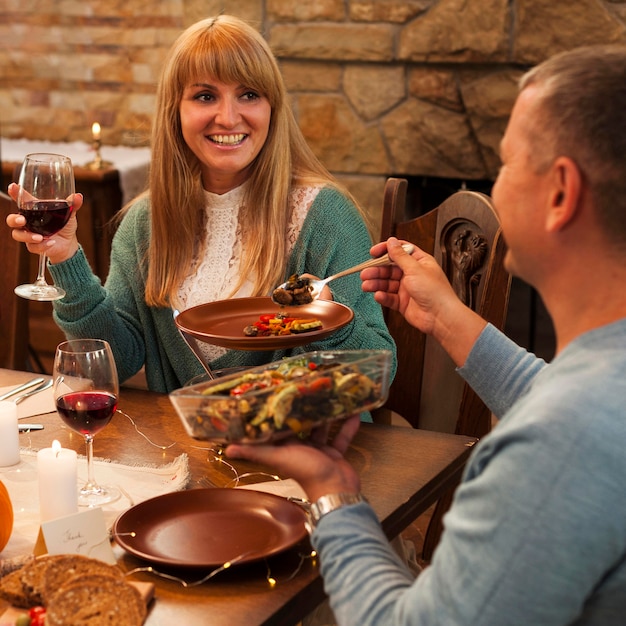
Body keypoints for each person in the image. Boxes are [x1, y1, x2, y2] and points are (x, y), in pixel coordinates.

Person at [226, 44, 626, 625]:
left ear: (561, 193)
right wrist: (445, 318)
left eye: (508, 163)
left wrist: (333, 490)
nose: (499, 180)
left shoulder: (558, 445)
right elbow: (556, 392)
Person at [5, 15, 395, 393]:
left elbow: (376, 373)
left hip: (310, 449)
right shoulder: (147, 222)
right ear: (175, 110)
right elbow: (118, 362)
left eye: (249, 94)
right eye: (205, 96)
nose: (227, 117)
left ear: (273, 109)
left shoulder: (324, 215)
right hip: (187, 449)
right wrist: (65, 255)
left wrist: (326, 321)